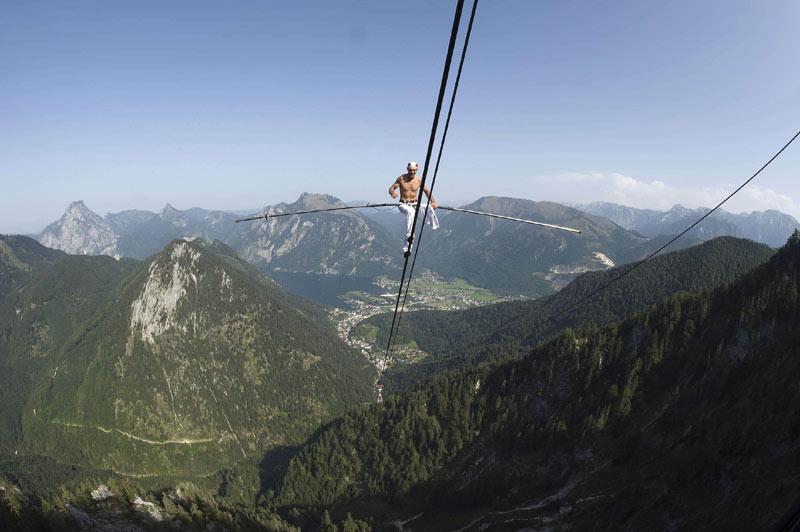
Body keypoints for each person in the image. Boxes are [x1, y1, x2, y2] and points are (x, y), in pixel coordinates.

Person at [389, 161, 439, 252]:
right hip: (403, 204)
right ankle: (409, 236)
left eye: (414, 170)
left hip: (415, 204)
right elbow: (392, 187)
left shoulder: (419, 180)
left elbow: (427, 191)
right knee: (410, 212)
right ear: (407, 169)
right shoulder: (401, 178)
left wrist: (433, 202)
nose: (412, 172)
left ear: (416, 170)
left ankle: (433, 225)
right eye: (410, 170)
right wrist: (392, 192)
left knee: (428, 208)